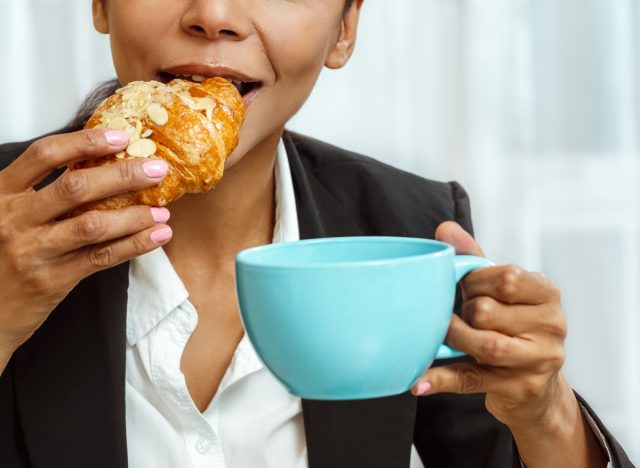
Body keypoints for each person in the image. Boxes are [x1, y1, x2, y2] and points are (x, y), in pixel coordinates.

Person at [0, 1, 633, 467]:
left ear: (345, 29)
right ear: (101, 4)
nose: (215, 15)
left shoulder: (405, 226)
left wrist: (545, 414)